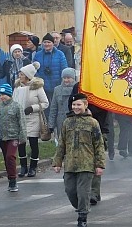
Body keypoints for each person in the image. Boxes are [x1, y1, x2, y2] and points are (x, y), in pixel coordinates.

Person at [52, 93, 105, 227]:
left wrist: (99, 165)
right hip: (70, 164)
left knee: (83, 192)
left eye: (78, 105)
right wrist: (57, 162)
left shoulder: (92, 123)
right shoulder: (67, 122)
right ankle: (82, 207)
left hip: (86, 163)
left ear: (85, 105)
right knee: (70, 191)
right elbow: (62, 143)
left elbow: (99, 145)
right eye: (74, 105)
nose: (76, 107)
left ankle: (82, 217)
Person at [14, 61, 48, 178]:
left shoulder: (37, 88)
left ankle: (33, 167)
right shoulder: (17, 87)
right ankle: (23, 166)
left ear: (28, 76)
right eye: (20, 74)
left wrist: (32, 108)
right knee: (21, 143)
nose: (20, 76)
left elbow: (45, 103)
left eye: (22, 74)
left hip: (33, 118)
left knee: (33, 143)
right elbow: (14, 101)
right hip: (21, 119)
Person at [0, 84, 24, 192]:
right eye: (1, 95)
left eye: (4, 94)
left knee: (10, 157)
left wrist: (22, 137)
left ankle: (13, 180)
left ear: (9, 94)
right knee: (6, 159)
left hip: (14, 137)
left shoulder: (17, 106)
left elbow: (22, 122)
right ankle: (10, 178)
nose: (2, 97)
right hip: (3, 137)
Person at [33, 33, 68, 107]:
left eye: (49, 42)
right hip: (42, 87)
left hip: (57, 85)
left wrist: (62, 83)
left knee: (57, 106)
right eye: (45, 42)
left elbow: (64, 69)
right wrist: (39, 81)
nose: (47, 44)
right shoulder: (38, 55)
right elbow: (34, 70)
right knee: (45, 107)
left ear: (53, 43)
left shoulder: (60, 54)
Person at [49, 68, 76, 143]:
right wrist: (51, 125)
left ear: (73, 78)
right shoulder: (57, 89)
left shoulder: (78, 88)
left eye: (68, 78)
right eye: (64, 78)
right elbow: (53, 108)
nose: (66, 80)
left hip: (75, 120)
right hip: (61, 121)